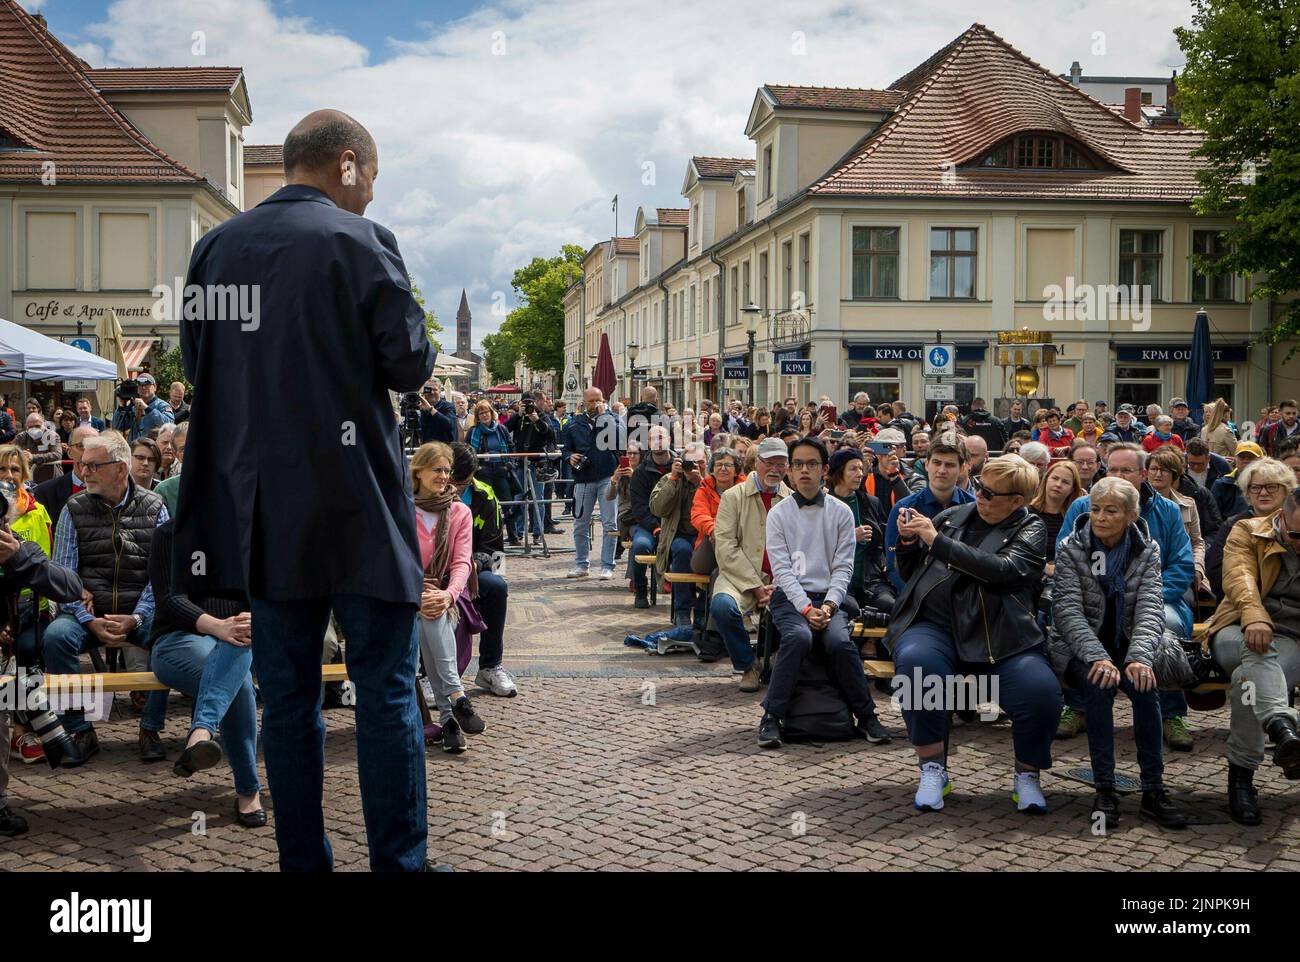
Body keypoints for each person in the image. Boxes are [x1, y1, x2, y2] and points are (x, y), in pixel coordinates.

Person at [175, 109, 439, 872]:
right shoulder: (361, 242)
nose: (370, 198)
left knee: (288, 702)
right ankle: (399, 865)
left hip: (265, 516)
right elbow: (411, 365)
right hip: (358, 508)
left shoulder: (215, 248)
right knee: (386, 694)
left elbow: (199, 366)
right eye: (372, 181)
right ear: (347, 164)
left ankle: (304, 865)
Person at [885, 456, 1058, 812]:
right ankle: (933, 768)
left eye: (991, 492)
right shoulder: (950, 517)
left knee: (1040, 691)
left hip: (1002, 636)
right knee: (917, 667)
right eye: (979, 485)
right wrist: (908, 543)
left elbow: (1002, 570)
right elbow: (913, 569)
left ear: (1016, 502)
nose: (979, 494)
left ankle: (1027, 775)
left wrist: (937, 543)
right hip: (936, 627)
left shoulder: (1031, 528)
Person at [1048, 477, 1188, 828]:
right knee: (1099, 686)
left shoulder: (1147, 549)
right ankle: (1105, 788)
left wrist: (1140, 657)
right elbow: (1067, 612)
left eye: (1111, 511)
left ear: (1130, 515)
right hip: (1084, 645)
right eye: (1095, 509)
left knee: (1145, 687)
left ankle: (1154, 789)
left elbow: (1151, 608)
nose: (1100, 517)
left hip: (1127, 641)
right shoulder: (1071, 547)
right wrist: (1098, 657)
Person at [1057, 443, 1195, 749]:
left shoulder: (1167, 510)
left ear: (1143, 474)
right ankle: (1077, 706)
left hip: (1156, 599)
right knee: (1080, 627)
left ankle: (1171, 712)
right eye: (1112, 469)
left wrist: (1144, 597)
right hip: (1095, 600)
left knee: (1164, 628)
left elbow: (1182, 565)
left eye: (1126, 470)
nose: (1117, 475)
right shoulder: (1083, 506)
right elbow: (1063, 552)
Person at [44, 432, 168, 764]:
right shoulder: (74, 508)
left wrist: (137, 617)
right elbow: (63, 576)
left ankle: (151, 728)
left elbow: (162, 577)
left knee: (168, 638)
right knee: (56, 637)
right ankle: (80, 730)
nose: (84, 472)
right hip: (87, 614)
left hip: (138, 611)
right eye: (83, 465)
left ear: (120, 468)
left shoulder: (155, 507)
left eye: (93, 466)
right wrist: (89, 620)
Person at [757, 436, 889, 748]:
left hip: (830, 598)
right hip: (790, 598)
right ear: (789, 471)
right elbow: (782, 571)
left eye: (812, 464)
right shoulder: (779, 514)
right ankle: (772, 716)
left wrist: (829, 605)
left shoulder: (841, 513)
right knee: (798, 637)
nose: (804, 470)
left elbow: (844, 568)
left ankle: (867, 715)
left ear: (824, 469)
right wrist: (805, 609)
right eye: (798, 464)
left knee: (840, 642)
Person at [147, 518, 265, 826]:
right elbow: (170, 600)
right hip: (177, 640)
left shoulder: (249, 535)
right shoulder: (170, 533)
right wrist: (218, 626)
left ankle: (200, 734)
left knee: (239, 650)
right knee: (238, 683)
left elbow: (265, 593)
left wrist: (250, 620)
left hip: (238, 641)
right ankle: (248, 792)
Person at [1199, 487, 1300, 825]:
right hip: (1237, 627)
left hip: (1291, 639)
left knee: (1247, 681)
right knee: (1255, 648)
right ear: (1281, 518)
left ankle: (1241, 779)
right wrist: (1255, 615)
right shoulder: (1247, 529)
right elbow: (1239, 577)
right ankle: (1281, 723)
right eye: (1296, 535)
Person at [408, 442, 486, 753]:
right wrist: (418, 591)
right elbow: (397, 559)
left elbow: (462, 563)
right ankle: (456, 698)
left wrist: (448, 595)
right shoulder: (402, 508)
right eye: (437, 470)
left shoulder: (459, 512)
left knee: (434, 613)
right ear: (419, 471)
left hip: (442, 593)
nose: (444, 476)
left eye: (447, 471)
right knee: (430, 613)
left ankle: (448, 718)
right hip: (406, 592)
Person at [449, 443, 516, 697]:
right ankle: (428, 672)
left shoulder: (486, 496)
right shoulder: (426, 494)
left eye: (462, 483)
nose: (455, 489)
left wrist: (470, 567)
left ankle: (490, 667)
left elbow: (496, 552)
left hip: (474, 569)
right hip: (437, 572)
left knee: (498, 587)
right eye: (452, 481)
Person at [885, 439, 976, 592]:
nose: (942, 470)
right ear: (926, 465)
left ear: (962, 468)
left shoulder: (974, 508)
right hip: (917, 597)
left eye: (950, 465)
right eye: (936, 462)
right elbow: (893, 567)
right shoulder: (904, 508)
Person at [1205, 458, 1294, 598]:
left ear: (1286, 490)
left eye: (1271, 486)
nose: (1263, 493)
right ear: (1247, 492)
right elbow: (1215, 574)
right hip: (1239, 605)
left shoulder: (1294, 525)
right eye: (1256, 487)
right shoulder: (1232, 525)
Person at [826, 446, 894, 614]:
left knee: (892, 605)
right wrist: (850, 536)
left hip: (870, 579)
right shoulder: (824, 505)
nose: (859, 474)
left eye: (861, 468)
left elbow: (885, 540)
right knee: (851, 610)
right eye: (853, 469)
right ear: (838, 473)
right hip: (835, 579)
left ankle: (871, 641)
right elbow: (816, 544)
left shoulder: (871, 503)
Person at [648, 441, 708, 629]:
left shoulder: (713, 482)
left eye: (701, 462)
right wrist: (674, 479)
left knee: (719, 558)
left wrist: (700, 483)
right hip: (679, 535)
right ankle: (682, 612)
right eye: (690, 462)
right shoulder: (670, 479)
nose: (695, 466)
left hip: (706, 536)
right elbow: (657, 509)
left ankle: (702, 610)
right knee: (682, 551)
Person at [564, 387, 620, 580]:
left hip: (607, 476)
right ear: (584, 402)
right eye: (592, 401)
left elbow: (619, 440)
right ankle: (581, 564)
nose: (596, 404)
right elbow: (565, 449)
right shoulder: (573, 424)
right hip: (584, 479)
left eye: (599, 400)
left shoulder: (613, 418)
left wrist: (606, 418)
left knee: (610, 523)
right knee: (580, 523)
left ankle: (607, 565)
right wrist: (569, 457)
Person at [1146, 445, 1208, 598]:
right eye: (1154, 469)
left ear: (1175, 475)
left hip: (1179, 571)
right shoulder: (1137, 504)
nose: (1158, 474)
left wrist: (1197, 566)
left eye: (1165, 470)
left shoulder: (1188, 504)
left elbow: (1197, 542)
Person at [627, 425, 674, 609]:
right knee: (640, 546)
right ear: (648, 443)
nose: (658, 442)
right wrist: (655, 527)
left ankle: (682, 596)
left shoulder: (680, 466)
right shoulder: (641, 471)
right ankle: (640, 589)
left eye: (662, 437)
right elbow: (638, 508)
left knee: (683, 549)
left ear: (669, 440)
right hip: (647, 524)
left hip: (675, 524)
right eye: (654, 438)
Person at [467, 399, 519, 545]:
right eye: (481, 413)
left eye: (486, 412)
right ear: (477, 416)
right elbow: (468, 451)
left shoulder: (501, 429)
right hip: (483, 473)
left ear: (492, 413)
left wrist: (509, 465)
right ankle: (487, 538)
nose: (484, 415)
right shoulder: (473, 431)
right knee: (486, 506)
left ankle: (513, 536)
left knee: (508, 504)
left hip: (501, 471)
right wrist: (477, 467)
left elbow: (511, 447)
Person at [506, 395, 555, 545]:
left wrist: (537, 421)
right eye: (524, 404)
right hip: (520, 464)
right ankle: (518, 532)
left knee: (538, 500)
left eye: (530, 404)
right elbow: (505, 429)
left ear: (535, 404)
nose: (528, 407)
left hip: (537, 464)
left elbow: (551, 435)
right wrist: (517, 416)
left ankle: (537, 533)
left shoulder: (542, 417)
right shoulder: (518, 418)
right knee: (518, 498)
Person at [688, 446, 744, 576]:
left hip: (739, 546)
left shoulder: (745, 490)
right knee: (718, 538)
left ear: (736, 471)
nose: (723, 469)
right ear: (712, 470)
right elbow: (698, 515)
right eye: (718, 465)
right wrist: (714, 530)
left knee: (719, 573)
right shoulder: (704, 490)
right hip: (708, 551)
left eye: (728, 465)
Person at [1028, 458, 1084, 568]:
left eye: (1065, 482)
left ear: (1072, 489)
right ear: (1046, 480)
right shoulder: (1027, 512)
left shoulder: (1075, 518)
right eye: (1055, 478)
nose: (1058, 484)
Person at [112, 373, 174, 443]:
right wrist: (122, 406)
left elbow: (169, 424)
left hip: (153, 448)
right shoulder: (133, 406)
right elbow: (117, 427)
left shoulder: (162, 405)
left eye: (147, 384)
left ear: (155, 387)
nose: (143, 388)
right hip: (134, 447)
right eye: (140, 385)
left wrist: (147, 408)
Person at [1213, 441, 1264, 520]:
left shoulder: (1270, 483)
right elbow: (1214, 518)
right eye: (1242, 457)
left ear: (1261, 460)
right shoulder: (1221, 484)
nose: (1246, 460)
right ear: (1235, 459)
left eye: (1251, 457)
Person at [16, 412, 63, 485]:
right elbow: (13, 453)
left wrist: (33, 457)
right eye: (31, 427)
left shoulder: (51, 436)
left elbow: (57, 454)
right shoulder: (21, 437)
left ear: (43, 424)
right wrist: (22, 454)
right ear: (26, 426)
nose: (34, 429)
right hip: (30, 479)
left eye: (37, 426)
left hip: (51, 478)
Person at [153, 422, 187, 516]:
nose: (190, 451)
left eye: (193, 445)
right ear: (176, 454)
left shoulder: (224, 482)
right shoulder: (164, 490)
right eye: (183, 449)